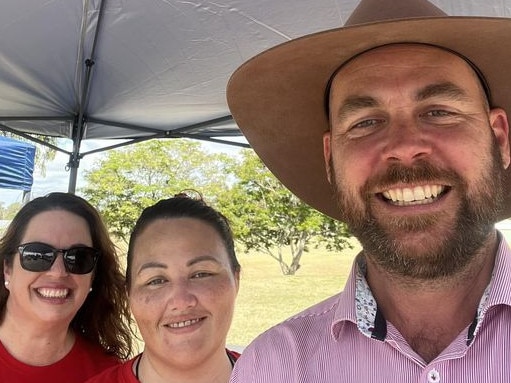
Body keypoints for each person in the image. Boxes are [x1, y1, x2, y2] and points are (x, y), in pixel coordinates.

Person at [226, 0, 511, 381]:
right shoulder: (275, 368)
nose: (404, 146)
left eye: (439, 111)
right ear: (330, 158)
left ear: (499, 138)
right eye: (365, 122)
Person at [86, 192, 241, 383]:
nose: (181, 302)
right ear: (129, 294)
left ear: (236, 279)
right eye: (156, 281)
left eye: (201, 274)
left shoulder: (281, 374)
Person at [0, 192, 134, 382]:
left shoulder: (107, 376)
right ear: (7, 269)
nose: (58, 272)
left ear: (93, 276)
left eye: (79, 257)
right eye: (37, 255)